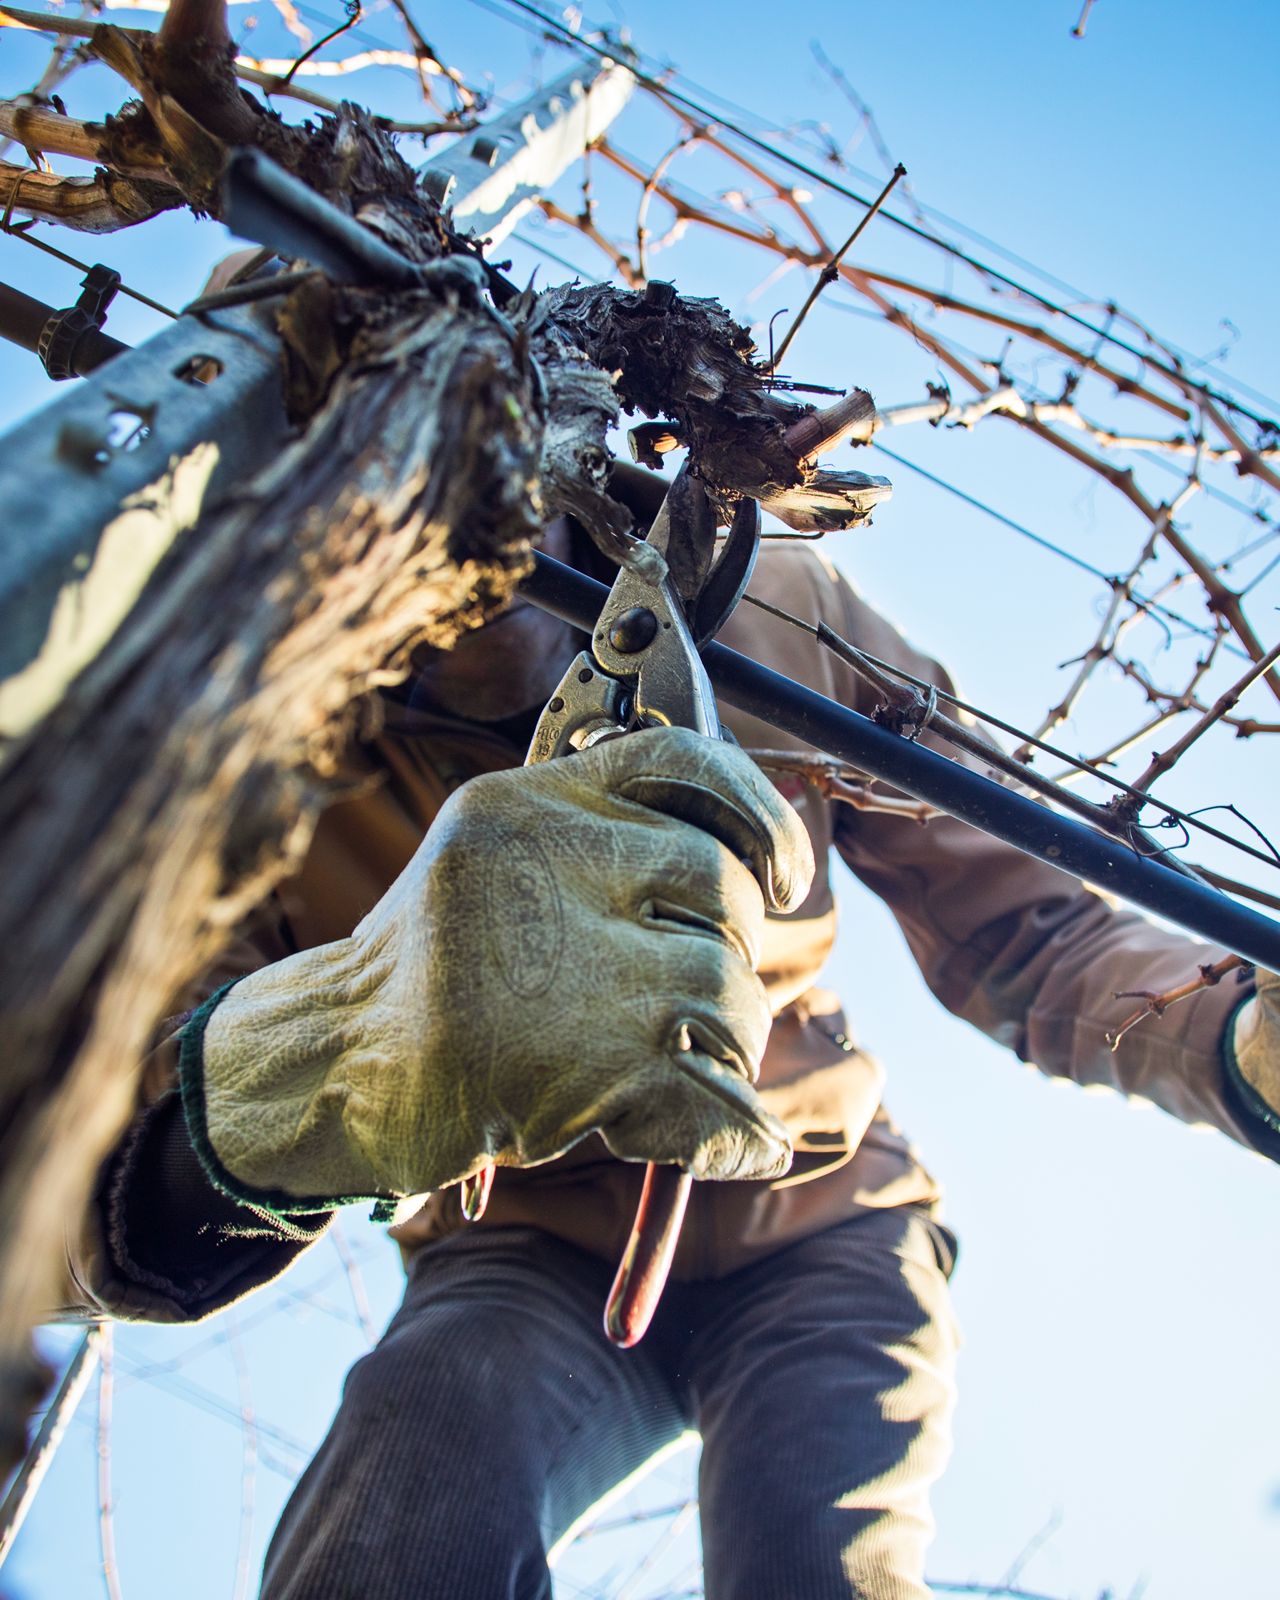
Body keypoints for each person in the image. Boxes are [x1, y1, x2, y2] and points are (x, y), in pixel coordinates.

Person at [67, 467, 1280, 1600]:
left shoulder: (780, 614)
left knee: (823, 1560)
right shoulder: (236, 777)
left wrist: (1239, 1039)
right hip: (514, 1254)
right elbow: (105, 1139)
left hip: (823, 1218)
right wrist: (275, 1093)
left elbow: (1031, 932)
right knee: (398, 1510)